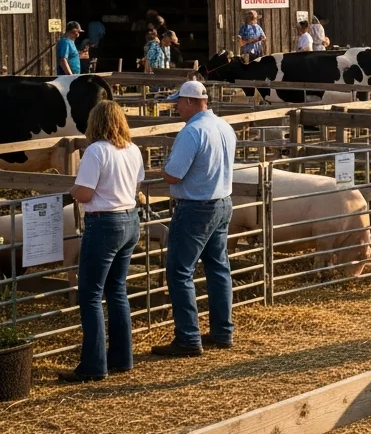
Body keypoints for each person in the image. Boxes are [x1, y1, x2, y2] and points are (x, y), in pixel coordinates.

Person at [58, 101, 145, 383]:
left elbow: (84, 193)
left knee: (90, 293)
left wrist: (72, 189)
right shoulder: (133, 150)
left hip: (104, 222)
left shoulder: (96, 151)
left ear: (95, 123)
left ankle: (94, 364)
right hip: (129, 219)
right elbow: (137, 185)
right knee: (116, 290)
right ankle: (122, 357)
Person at [154, 81, 237, 356]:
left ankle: (188, 337)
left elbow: (174, 174)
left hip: (195, 207)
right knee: (218, 267)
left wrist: (161, 171)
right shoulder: (224, 126)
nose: (176, 107)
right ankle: (222, 331)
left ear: (190, 102)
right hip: (223, 201)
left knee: (180, 271)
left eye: (178, 102)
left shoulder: (192, 132)